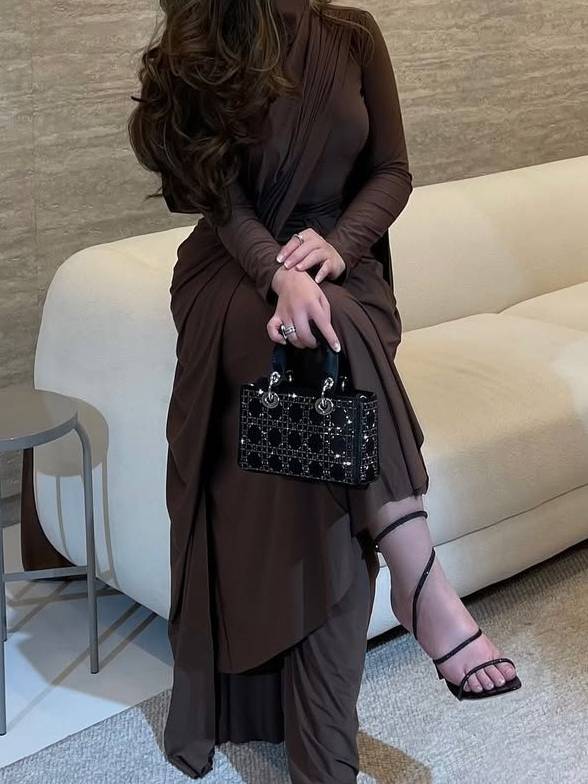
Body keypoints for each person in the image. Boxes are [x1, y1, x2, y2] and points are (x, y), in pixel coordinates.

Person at [127, 0, 521, 779]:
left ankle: (327, 742)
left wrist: (338, 249)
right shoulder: (206, 36)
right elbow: (219, 198)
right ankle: (421, 584)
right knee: (324, 345)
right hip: (234, 273)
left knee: (327, 421)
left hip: (343, 267)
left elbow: (392, 171)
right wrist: (278, 272)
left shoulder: (353, 34)